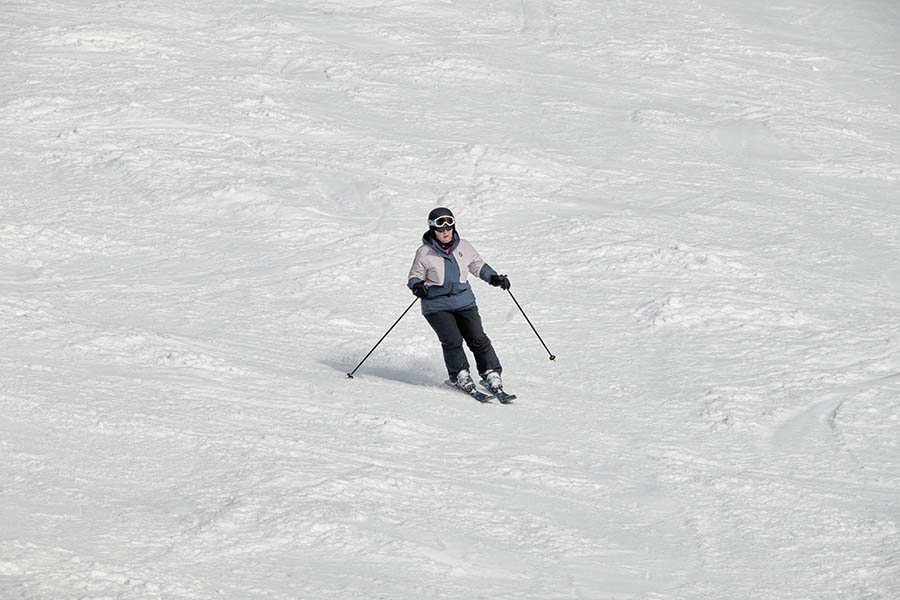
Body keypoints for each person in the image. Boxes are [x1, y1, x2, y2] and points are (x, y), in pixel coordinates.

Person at [407, 207, 511, 393]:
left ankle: (490, 372)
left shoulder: (464, 246)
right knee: (452, 340)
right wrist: (417, 286)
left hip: (464, 301)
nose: (445, 232)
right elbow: (415, 275)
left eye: (449, 228)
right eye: (441, 229)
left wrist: (494, 278)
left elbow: (478, 266)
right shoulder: (424, 252)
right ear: (433, 230)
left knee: (477, 338)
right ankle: (459, 374)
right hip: (436, 305)